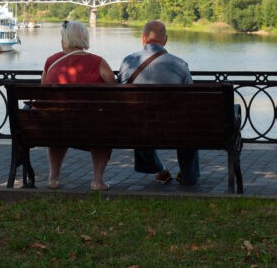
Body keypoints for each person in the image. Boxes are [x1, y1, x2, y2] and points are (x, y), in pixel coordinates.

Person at [117, 20, 200, 186]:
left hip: (136, 127)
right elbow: (190, 100)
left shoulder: (127, 62)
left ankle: (159, 170)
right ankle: (189, 175)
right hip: (174, 127)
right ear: (166, 40)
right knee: (189, 125)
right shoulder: (180, 64)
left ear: (143, 38)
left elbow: (120, 96)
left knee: (137, 118)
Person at [41, 20, 117, 191]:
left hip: (56, 125)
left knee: (57, 126)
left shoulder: (50, 62)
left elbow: (42, 92)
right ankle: (97, 181)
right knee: (103, 128)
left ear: (65, 39)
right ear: (84, 38)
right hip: (91, 126)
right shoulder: (98, 62)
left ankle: (53, 178)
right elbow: (114, 90)